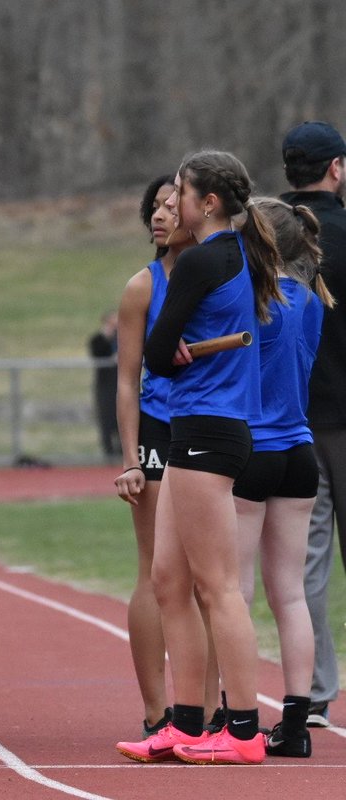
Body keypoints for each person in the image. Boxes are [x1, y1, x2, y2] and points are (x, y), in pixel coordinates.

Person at [116, 150, 283, 766]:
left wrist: (176, 347)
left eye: (178, 193)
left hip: (210, 432)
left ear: (207, 203)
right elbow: (166, 353)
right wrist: (176, 347)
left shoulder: (205, 260)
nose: (170, 205)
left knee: (217, 587)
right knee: (168, 580)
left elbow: (158, 357)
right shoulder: (233, 252)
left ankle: (241, 729)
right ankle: (184, 722)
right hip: (192, 428)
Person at [113, 176, 222, 739]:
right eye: (152, 205)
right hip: (160, 430)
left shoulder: (224, 274)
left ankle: (207, 711)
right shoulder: (143, 286)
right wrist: (131, 457)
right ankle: (158, 711)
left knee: (210, 577)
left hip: (213, 426)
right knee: (157, 571)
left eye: (169, 204)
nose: (158, 214)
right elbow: (127, 382)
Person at [233, 197, 333, 757]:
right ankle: (296, 722)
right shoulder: (312, 297)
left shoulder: (246, 299)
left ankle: (235, 712)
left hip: (251, 448)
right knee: (290, 594)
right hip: (299, 449)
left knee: (235, 591)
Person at [279, 120, 346, 729]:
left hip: (290, 419)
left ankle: (317, 690)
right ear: (337, 169)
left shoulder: (267, 235)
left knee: (306, 562)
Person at [89, 310, 120, 461]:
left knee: (120, 415)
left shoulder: (120, 337)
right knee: (106, 415)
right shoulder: (98, 339)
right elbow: (97, 354)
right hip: (105, 383)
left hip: (119, 382)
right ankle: (108, 451)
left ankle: (121, 450)